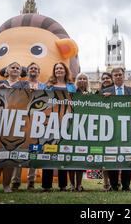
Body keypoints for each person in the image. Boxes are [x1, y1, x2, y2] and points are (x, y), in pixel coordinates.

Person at [0, 62, 29, 193]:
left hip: (16, 122)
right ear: (7, 70)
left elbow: (27, 99)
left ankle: (6, 185)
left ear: (20, 72)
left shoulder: (24, 84)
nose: (15, 69)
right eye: (12, 67)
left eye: (18, 68)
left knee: (11, 156)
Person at [101, 67, 131, 191]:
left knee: (128, 156)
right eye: (115, 75)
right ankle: (114, 185)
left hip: (128, 128)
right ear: (112, 77)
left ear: (124, 76)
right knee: (112, 157)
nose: (118, 77)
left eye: (120, 74)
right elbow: (98, 109)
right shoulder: (105, 92)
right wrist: (103, 99)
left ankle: (126, 185)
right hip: (111, 129)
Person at [41, 62, 76, 191]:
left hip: (66, 122)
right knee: (49, 151)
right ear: (54, 71)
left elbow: (77, 101)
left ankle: (63, 185)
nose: (59, 70)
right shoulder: (48, 86)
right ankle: (46, 185)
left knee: (63, 151)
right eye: (56, 68)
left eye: (61, 68)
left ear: (65, 71)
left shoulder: (72, 87)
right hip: (50, 122)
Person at [11, 62, 46, 191]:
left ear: (39, 72)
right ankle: (16, 181)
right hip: (22, 120)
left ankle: (31, 181)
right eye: (32, 68)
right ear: (28, 70)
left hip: (37, 121)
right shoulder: (20, 84)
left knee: (34, 151)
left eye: (36, 69)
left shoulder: (43, 86)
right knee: (19, 149)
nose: (34, 70)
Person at [67, 72, 91, 192]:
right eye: (80, 78)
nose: (82, 80)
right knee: (71, 158)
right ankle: (72, 184)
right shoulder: (71, 93)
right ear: (77, 80)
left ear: (87, 81)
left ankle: (79, 184)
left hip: (84, 129)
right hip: (71, 127)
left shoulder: (91, 94)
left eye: (84, 79)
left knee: (81, 158)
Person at [96, 72, 113, 191]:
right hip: (102, 127)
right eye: (103, 78)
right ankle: (106, 183)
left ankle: (115, 183)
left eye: (108, 78)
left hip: (116, 125)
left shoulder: (117, 92)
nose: (106, 80)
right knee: (104, 157)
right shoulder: (97, 93)